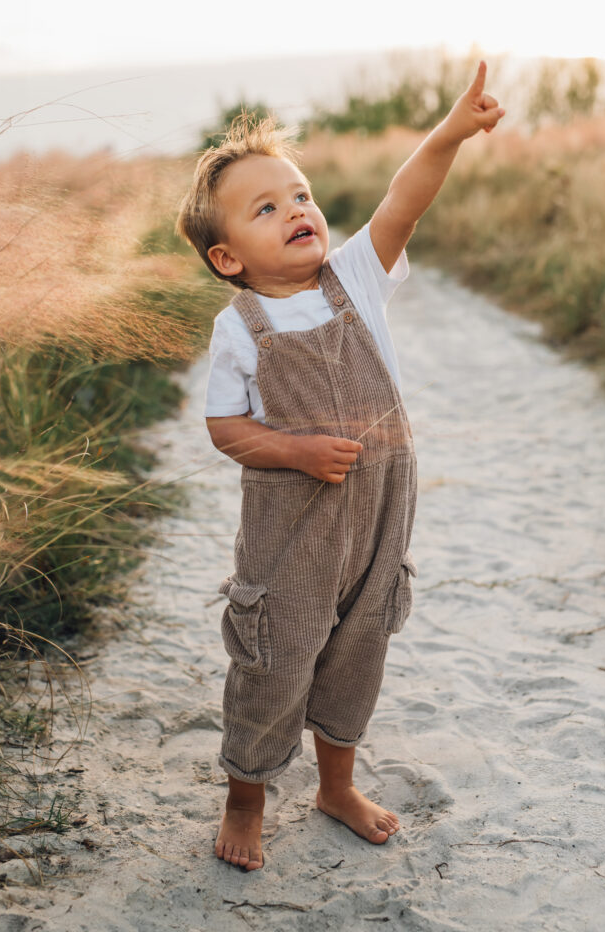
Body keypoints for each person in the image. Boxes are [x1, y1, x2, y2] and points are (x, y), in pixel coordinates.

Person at [175, 61, 504, 872]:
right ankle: (245, 798)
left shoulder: (355, 278)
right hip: (292, 534)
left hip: (381, 517)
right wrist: (294, 450)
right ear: (227, 257)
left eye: (300, 195)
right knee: (274, 662)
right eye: (266, 207)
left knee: (358, 653)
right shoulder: (241, 328)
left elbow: (404, 198)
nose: (296, 211)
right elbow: (224, 426)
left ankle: (335, 786)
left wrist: (450, 132)